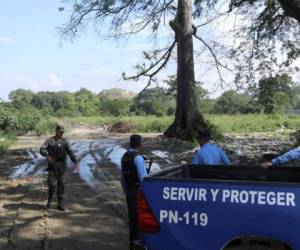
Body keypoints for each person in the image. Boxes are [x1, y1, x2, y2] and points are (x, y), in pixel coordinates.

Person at [40, 124, 79, 211]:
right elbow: (41, 149)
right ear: (56, 131)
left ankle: (60, 203)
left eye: (62, 132)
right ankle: (49, 201)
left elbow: (70, 153)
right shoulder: (50, 141)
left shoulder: (65, 142)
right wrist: (47, 156)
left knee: (61, 185)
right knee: (52, 185)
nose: (61, 133)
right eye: (60, 132)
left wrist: (76, 162)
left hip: (62, 167)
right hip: (52, 166)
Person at [121, 134, 148, 250]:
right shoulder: (138, 158)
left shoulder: (124, 157)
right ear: (139, 144)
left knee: (132, 219)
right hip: (138, 192)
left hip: (129, 191)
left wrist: (126, 190)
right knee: (140, 220)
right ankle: (138, 245)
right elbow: (143, 179)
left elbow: (122, 178)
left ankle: (132, 244)